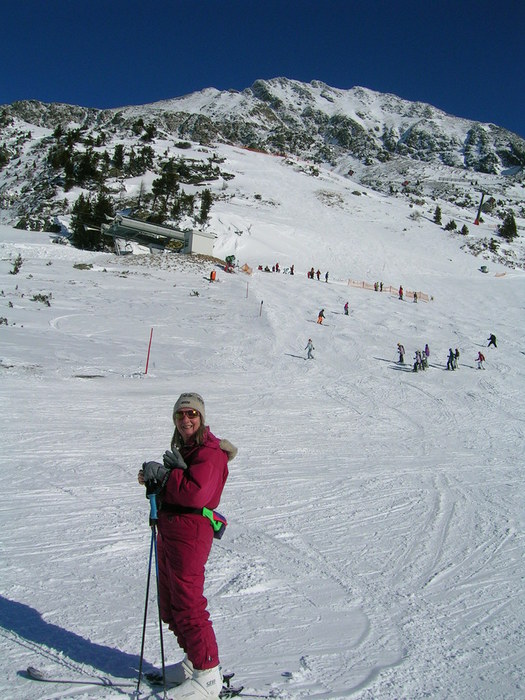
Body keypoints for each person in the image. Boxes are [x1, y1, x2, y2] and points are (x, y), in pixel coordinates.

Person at [138, 393, 237, 699]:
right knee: (170, 603)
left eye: (192, 414)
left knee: (188, 604)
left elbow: (196, 493)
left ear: (201, 417)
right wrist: (156, 482)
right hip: (171, 530)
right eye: (180, 415)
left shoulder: (211, 452)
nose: (186, 419)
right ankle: (194, 662)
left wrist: (168, 477)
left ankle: (208, 673)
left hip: (190, 533)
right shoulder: (188, 449)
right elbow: (180, 486)